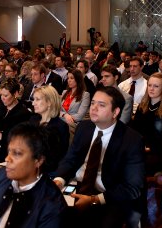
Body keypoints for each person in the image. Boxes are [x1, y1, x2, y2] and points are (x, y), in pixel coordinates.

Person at [54, 87, 145, 228]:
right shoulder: (84, 127)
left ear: (115, 112)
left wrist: (94, 200)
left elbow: (132, 187)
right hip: (78, 186)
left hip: (109, 196)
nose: (94, 108)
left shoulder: (132, 140)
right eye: (93, 103)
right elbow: (70, 159)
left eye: (101, 105)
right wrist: (59, 181)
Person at [0, 122, 67, 227]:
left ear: (38, 160)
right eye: (9, 152)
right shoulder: (2, 175)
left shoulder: (52, 205)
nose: (7, 159)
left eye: (17, 153)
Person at [131, 73, 162, 176]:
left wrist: (149, 147)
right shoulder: (142, 106)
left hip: (157, 152)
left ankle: (146, 191)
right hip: (140, 149)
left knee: (138, 166)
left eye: (156, 86)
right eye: (150, 85)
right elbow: (135, 131)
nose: (151, 89)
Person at [0, 79, 32, 161]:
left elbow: (19, 139)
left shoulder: (23, 114)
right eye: (1, 95)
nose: (2, 98)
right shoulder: (2, 106)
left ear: (15, 94)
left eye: (6, 96)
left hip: (9, 151)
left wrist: (0, 136)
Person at [30, 85, 70, 172]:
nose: (33, 103)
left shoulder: (60, 126)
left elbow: (60, 157)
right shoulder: (33, 120)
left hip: (48, 171)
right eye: (33, 99)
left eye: (37, 99)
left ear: (49, 102)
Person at [60, 69, 90, 136]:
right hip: (61, 122)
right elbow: (57, 110)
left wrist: (64, 117)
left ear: (78, 79)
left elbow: (80, 116)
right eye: (68, 78)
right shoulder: (64, 92)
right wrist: (64, 115)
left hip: (73, 124)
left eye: (72, 78)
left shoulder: (85, 95)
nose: (69, 80)